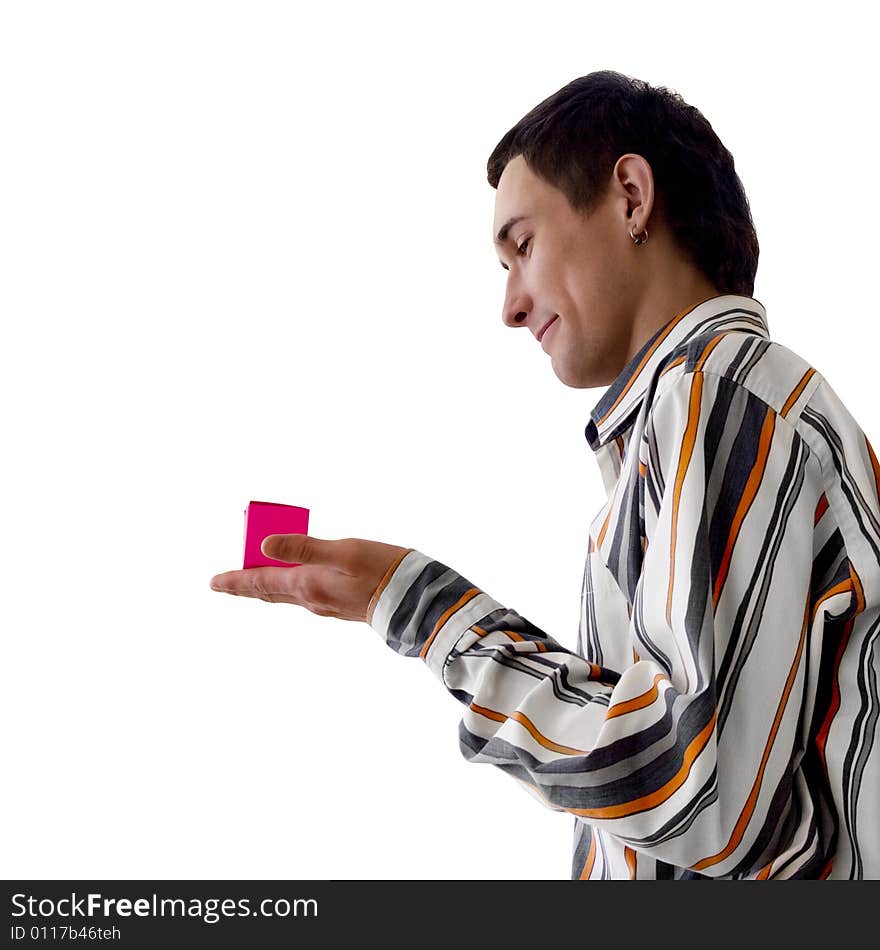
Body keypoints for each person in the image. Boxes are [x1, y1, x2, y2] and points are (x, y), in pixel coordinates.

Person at [210, 70, 880, 879]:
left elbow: (699, 794)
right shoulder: (710, 414)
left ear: (632, 197)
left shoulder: (719, 396)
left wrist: (428, 613)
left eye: (521, 246)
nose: (511, 306)